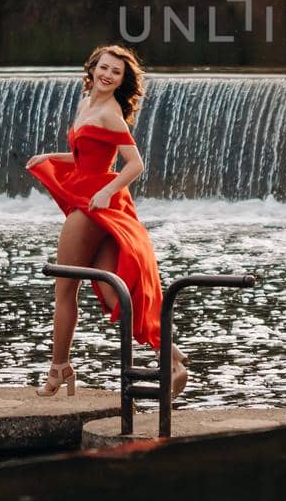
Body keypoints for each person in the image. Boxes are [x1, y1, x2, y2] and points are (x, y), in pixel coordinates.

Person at [25, 44, 187, 398]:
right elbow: (85, 156)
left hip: (92, 206)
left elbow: (135, 164)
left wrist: (107, 191)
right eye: (104, 67)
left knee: (65, 290)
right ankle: (174, 360)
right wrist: (51, 156)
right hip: (88, 197)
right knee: (116, 297)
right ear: (93, 68)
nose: (108, 75)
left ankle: (58, 369)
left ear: (121, 81)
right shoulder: (87, 104)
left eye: (116, 72)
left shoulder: (111, 114)